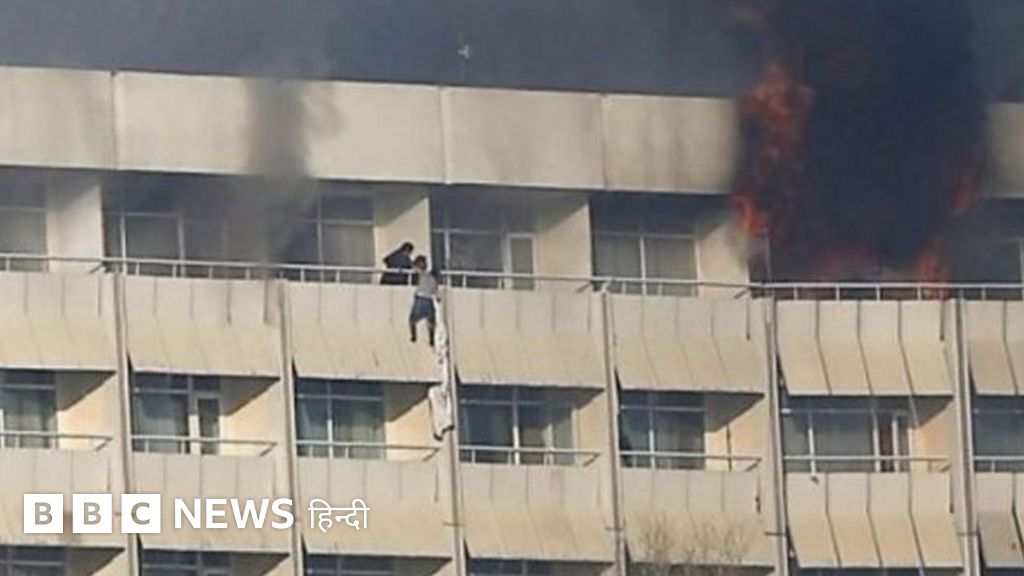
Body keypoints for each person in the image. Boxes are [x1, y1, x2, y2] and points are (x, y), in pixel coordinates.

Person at [409, 256, 438, 346]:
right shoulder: (433, 279)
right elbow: (435, 292)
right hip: (429, 300)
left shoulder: (421, 274)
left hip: (420, 299)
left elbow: (415, 269)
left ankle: (413, 336)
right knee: (431, 322)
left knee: (412, 319)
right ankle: (431, 339)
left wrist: (412, 262)